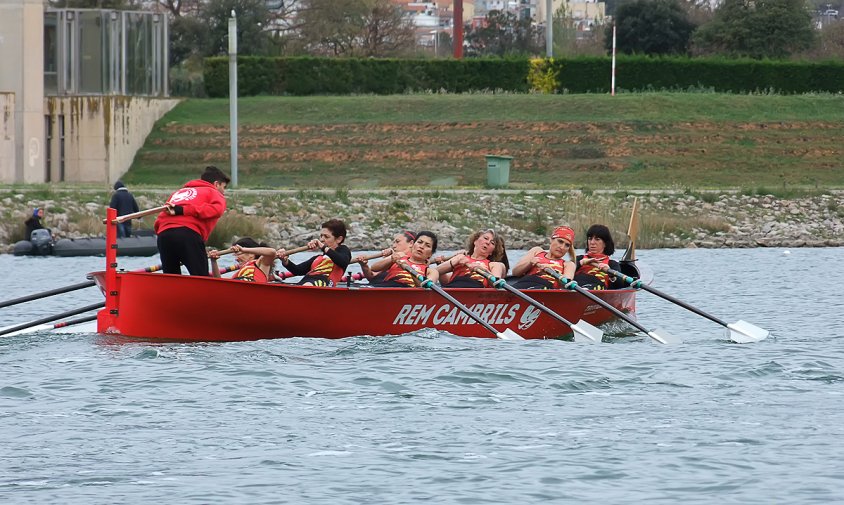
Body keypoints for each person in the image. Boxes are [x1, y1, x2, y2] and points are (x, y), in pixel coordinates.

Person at [154, 165, 230, 276]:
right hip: (188, 235)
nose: (223, 192)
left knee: (171, 279)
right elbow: (216, 210)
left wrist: (181, 211)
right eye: (224, 187)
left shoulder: (178, 193)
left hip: (164, 236)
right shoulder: (214, 192)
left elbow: (161, 217)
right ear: (216, 184)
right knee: (201, 278)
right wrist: (185, 210)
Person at [277, 219, 352, 286]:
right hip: (307, 281)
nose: (322, 239)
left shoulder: (343, 251)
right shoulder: (318, 258)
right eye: (321, 236)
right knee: (303, 285)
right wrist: (285, 260)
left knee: (307, 285)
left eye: (326, 237)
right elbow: (297, 270)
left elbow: (343, 262)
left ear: (339, 239)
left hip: (324, 283)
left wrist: (322, 247)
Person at [436, 228, 508, 288]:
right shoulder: (460, 258)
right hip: (453, 287)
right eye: (485, 238)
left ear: (492, 251)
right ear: (475, 241)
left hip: (476, 289)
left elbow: (496, 284)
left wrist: (484, 271)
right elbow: (438, 275)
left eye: (492, 243)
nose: (488, 242)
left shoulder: (495, 265)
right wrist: (451, 263)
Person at [510, 226, 576, 289]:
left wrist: (553, 273)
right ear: (551, 240)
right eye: (560, 241)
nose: (562, 247)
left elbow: (566, 284)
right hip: (526, 282)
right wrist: (529, 263)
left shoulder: (569, 264)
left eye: (567, 245)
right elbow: (515, 272)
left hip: (547, 287)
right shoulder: (537, 251)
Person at [370, 231, 440, 287]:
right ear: (412, 244)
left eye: (427, 245)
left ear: (431, 253)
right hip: (386, 287)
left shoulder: (432, 272)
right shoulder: (399, 256)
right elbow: (374, 268)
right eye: (419, 242)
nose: (421, 246)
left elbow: (426, 288)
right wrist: (391, 259)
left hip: (408, 293)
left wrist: (409, 269)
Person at [573, 224, 623, 290]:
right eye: (590, 239)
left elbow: (619, 285)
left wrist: (611, 274)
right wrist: (581, 263)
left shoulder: (612, 264)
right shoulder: (579, 259)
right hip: (576, 285)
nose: (592, 242)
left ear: (605, 243)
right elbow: (566, 273)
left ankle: (586, 289)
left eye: (597, 239)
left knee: (598, 284)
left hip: (597, 288)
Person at [209, 237, 277, 283]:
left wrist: (243, 249)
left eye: (238, 254)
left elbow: (272, 252)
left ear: (251, 254)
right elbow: (219, 283)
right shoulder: (237, 275)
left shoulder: (261, 263)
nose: (236, 258)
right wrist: (213, 261)